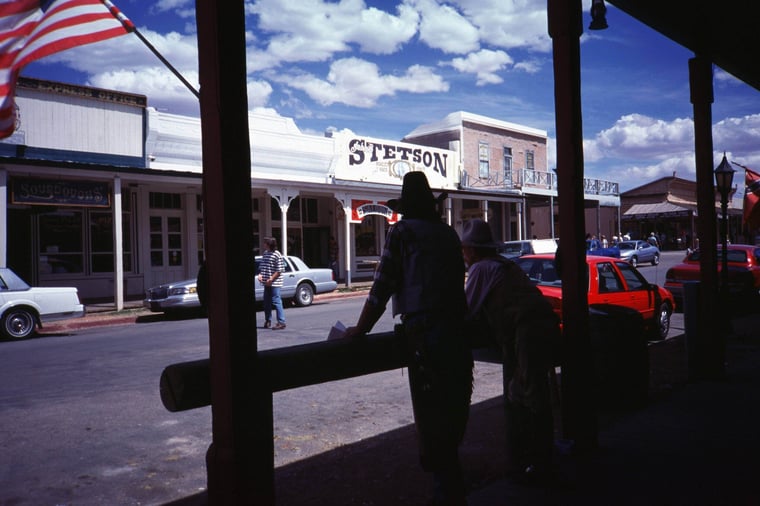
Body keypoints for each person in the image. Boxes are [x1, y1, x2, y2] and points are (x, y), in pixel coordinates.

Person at [344, 172, 473, 505]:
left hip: (425, 335)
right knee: (453, 408)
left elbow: (382, 286)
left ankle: (448, 491)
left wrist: (360, 329)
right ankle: (452, 488)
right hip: (457, 330)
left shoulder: (401, 233)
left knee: (432, 415)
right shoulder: (446, 234)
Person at [460, 219, 559, 485]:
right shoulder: (505, 265)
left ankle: (539, 463)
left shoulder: (482, 268)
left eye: (465, 249)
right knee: (530, 393)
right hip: (539, 326)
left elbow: (465, 313)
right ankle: (536, 459)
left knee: (531, 396)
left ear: (473, 249)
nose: (464, 254)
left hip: (526, 331)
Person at [258, 237, 286, 330]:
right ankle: (268, 320)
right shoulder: (265, 254)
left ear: (269, 244)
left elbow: (280, 270)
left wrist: (271, 278)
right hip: (266, 282)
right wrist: (260, 275)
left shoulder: (277, 254)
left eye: (265, 243)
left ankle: (281, 322)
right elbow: (262, 267)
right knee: (266, 302)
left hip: (275, 283)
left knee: (276, 301)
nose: (263, 244)